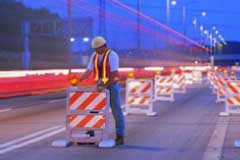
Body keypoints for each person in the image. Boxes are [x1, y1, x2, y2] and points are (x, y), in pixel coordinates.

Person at [79, 36, 125, 145]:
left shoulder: (112, 55)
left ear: (104, 46)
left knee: (116, 111)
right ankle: (91, 134)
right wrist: (79, 79)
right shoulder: (94, 56)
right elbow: (89, 70)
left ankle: (120, 136)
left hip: (112, 86)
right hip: (100, 86)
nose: (96, 51)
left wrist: (104, 86)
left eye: (98, 48)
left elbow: (114, 75)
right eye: (95, 49)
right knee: (94, 109)